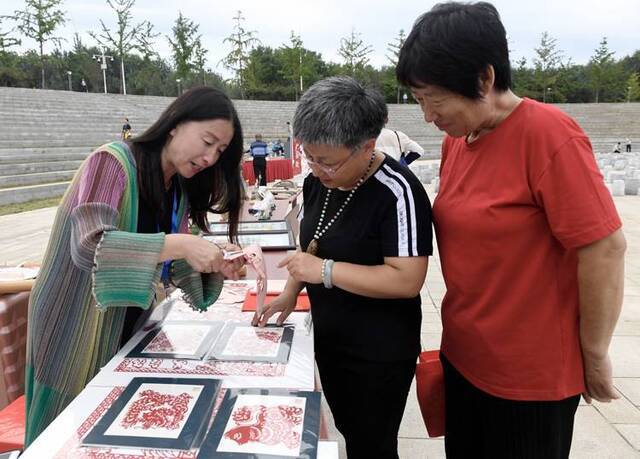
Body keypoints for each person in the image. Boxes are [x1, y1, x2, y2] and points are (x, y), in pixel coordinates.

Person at [396, 3, 626, 458]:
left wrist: (594, 352)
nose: (427, 116)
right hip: (465, 357)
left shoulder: (548, 136)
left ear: (484, 78)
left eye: (434, 99)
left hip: (529, 378)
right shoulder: (458, 141)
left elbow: (604, 249)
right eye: (419, 101)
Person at [25, 86, 247, 445]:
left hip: (126, 323)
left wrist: (213, 263)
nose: (209, 157)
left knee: (115, 432)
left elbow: (170, 264)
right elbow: (90, 245)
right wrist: (181, 243)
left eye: (219, 151)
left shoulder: (175, 188)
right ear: (175, 123)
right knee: (67, 430)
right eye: (207, 141)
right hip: (72, 323)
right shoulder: (110, 162)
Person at [254, 76, 433, 458]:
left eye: (328, 162)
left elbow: (407, 279)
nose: (317, 169)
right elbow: (311, 245)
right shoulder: (319, 182)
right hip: (332, 337)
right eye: (310, 157)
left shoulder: (398, 191)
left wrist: (324, 272)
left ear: (367, 146)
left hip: (378, 350)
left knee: (373, 444)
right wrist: (290, 292)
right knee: (351, 430)